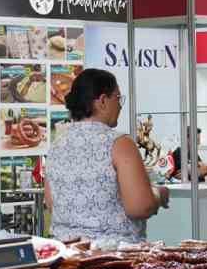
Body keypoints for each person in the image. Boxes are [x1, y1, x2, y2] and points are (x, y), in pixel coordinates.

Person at [46, 69, 169, 244]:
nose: (120, 105)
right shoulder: (119, 144)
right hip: (112, 257)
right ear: (103, 101)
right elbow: (140, 206)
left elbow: (52, 203)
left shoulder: (57, 145)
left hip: (67, 253)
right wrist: (158, 194)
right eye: (118, 98)